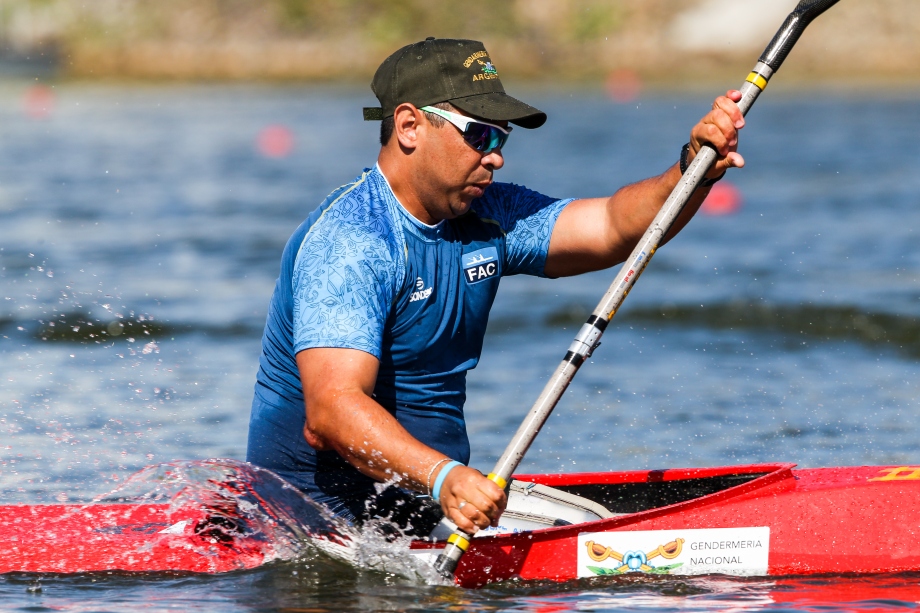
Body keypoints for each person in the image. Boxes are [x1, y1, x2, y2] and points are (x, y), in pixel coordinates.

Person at [247, 38, 744, 537]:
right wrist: (444, 477)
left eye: (501, 139)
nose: (496, 158)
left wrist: (693, 168)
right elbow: (331, 409)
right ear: (409, 126)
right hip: (314, 524)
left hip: (421, 507)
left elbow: (617, 227)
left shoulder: (489, 216)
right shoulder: (353, 240)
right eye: (479, 135)